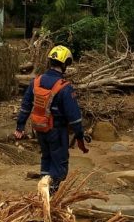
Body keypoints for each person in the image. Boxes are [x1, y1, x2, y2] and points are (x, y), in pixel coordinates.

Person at [14, 45, 88, 194]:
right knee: (59, 164)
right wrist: (80, 136)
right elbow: (74, 117)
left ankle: (43, 192)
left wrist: (20, 126)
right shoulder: (64, 87)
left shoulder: (36, 81)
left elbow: (25, 106)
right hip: (57, 131)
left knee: (46, 158)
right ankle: (52, 197)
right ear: (64, 64)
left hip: (40, 129)